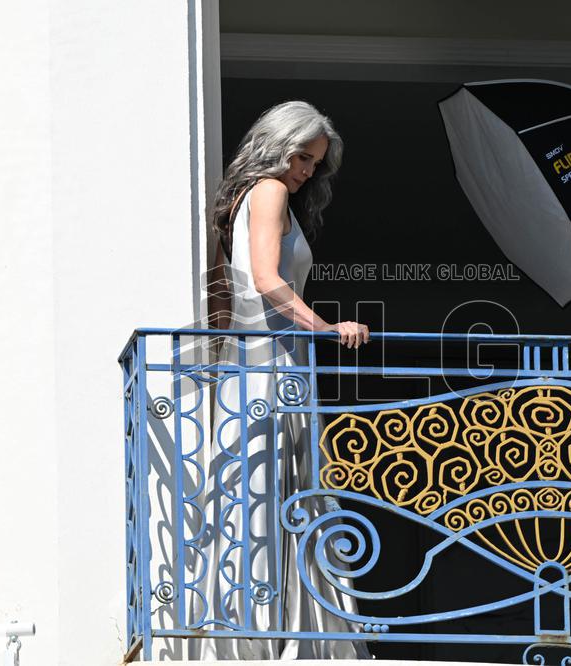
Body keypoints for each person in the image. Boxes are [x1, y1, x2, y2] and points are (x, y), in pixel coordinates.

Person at [191, 100, 370, 660]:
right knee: (273, 491)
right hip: (268, 367)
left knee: (271, 493)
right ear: (277, 145)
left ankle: (268, 630)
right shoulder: (267, 191)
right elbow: (267, 280)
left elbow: (233, 292)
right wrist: (327, 327)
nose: (306, 172)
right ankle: (268, 638)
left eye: (315, 164)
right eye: (302, 157)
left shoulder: (248, 200)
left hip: (264, 366)